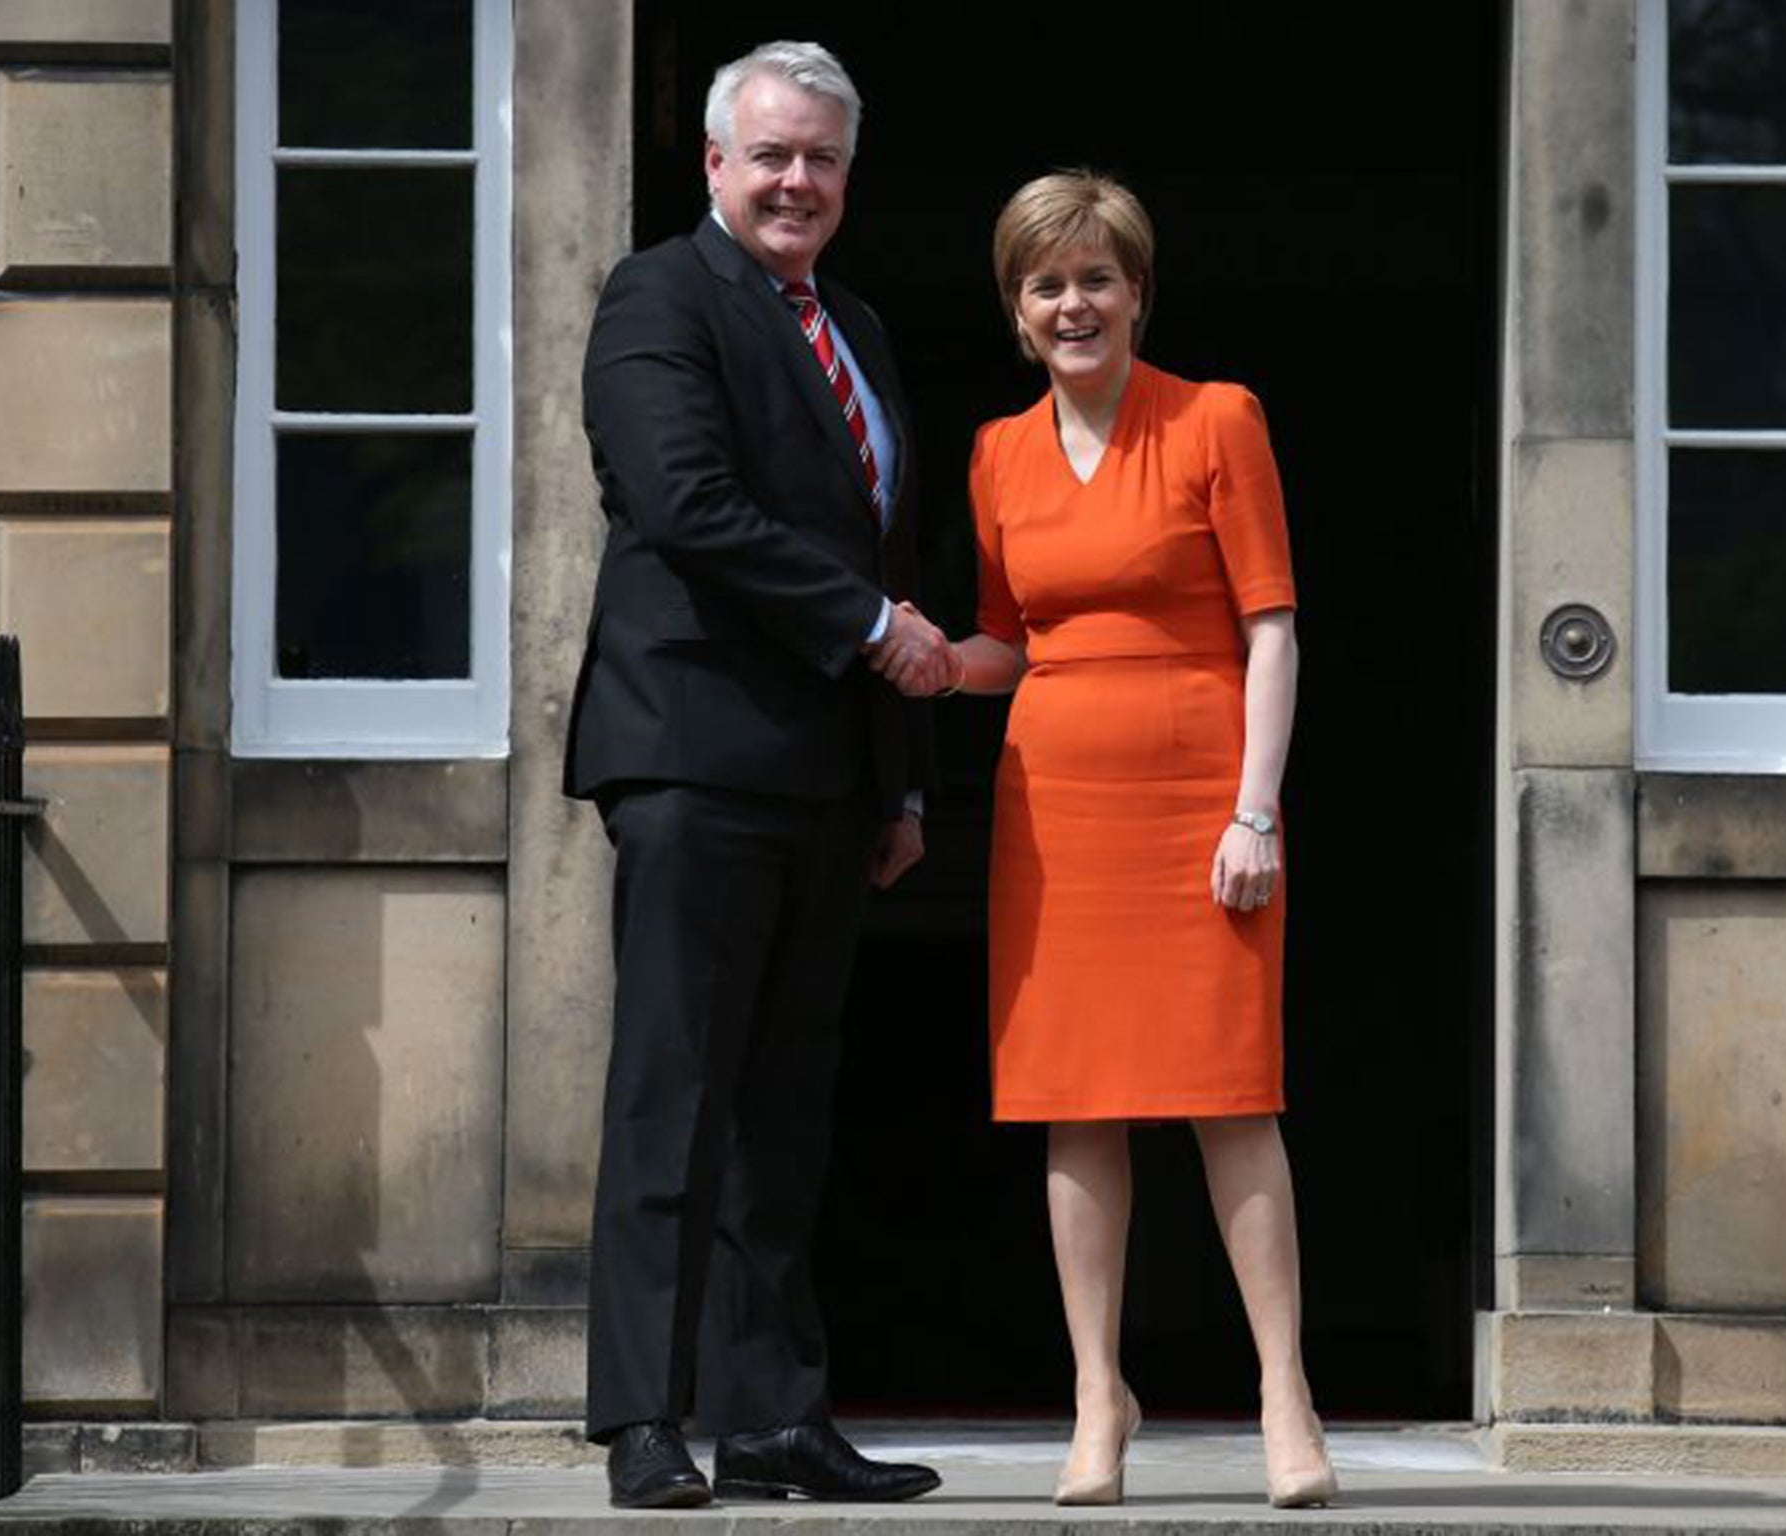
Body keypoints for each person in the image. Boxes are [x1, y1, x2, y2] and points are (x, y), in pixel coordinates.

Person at [875, 170, 1336, 1509]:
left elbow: (1271, 628)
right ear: (1015, 311)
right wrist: (931, 661)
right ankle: (1097, 1396)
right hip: (1057, 807)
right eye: (1045, 284)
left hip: (1203, 800)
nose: (1071, 304)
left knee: (1229, 1093)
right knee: (1073, 1104)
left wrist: (1256, 809)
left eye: (1094, 279)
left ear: (1137, 292)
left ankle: (1284, 1394)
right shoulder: (997, 452)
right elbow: (1013, 643)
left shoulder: (1216, 417)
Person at [565, 40, 953, 1510]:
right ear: (716, 163)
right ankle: (643, 1421)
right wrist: (873, 630)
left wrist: (900, 783)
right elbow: (684, 500)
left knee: (785, 1110)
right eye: (774, 155)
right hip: (694, 752)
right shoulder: (660, 295)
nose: (799, 182)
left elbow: (888, 549)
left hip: (828, 779)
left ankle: (775, 1416)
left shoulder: (852, 324)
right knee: (674, 1094)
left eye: (824, 160)